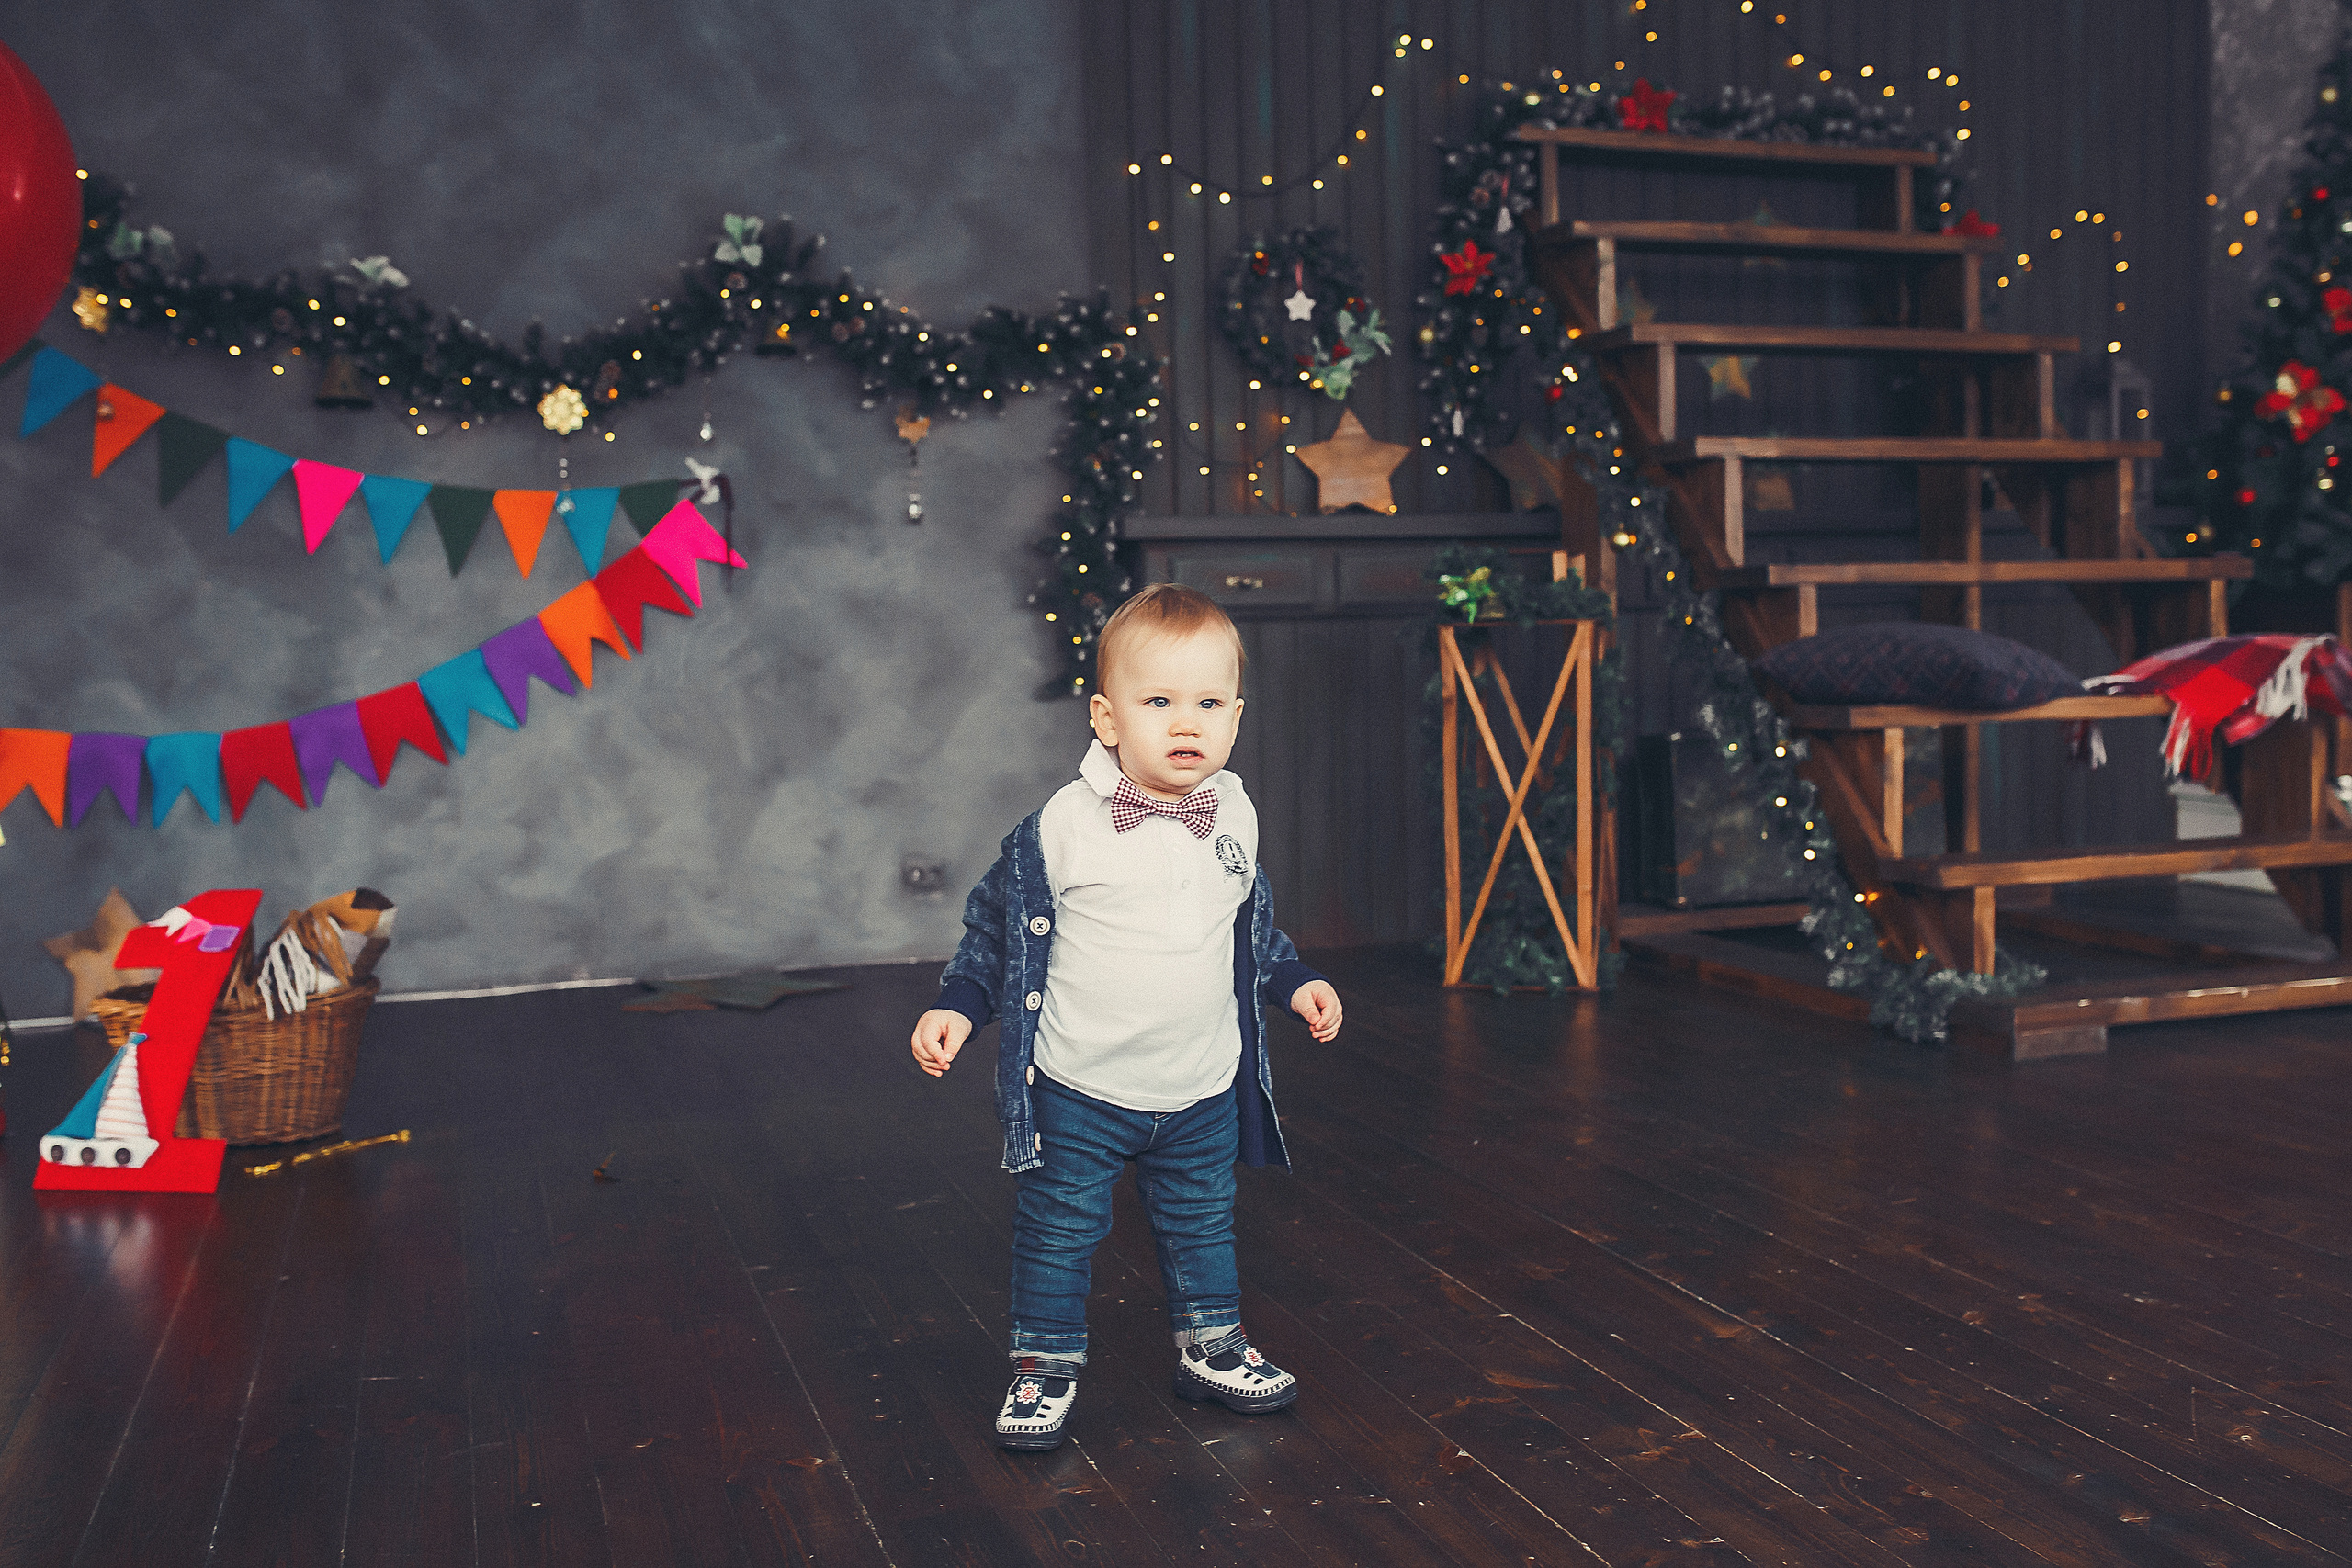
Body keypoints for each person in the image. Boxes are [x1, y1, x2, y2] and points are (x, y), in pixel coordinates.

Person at [910, 583, 1343, 1452]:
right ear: (1107, 719)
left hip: (1199, 1082)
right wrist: (960, 1003)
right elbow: (999, 929)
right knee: (1062, 1226)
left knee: (1201, 1219)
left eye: (1209, 703)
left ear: (1236, 714)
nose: (1188, 724)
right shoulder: (1065, 827)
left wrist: (1291, 978)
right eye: (1159, 702)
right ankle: (1044, 1365)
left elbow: (1246, 918)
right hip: (1083, 1083)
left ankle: (1211, 1345)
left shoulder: (1234, 811)